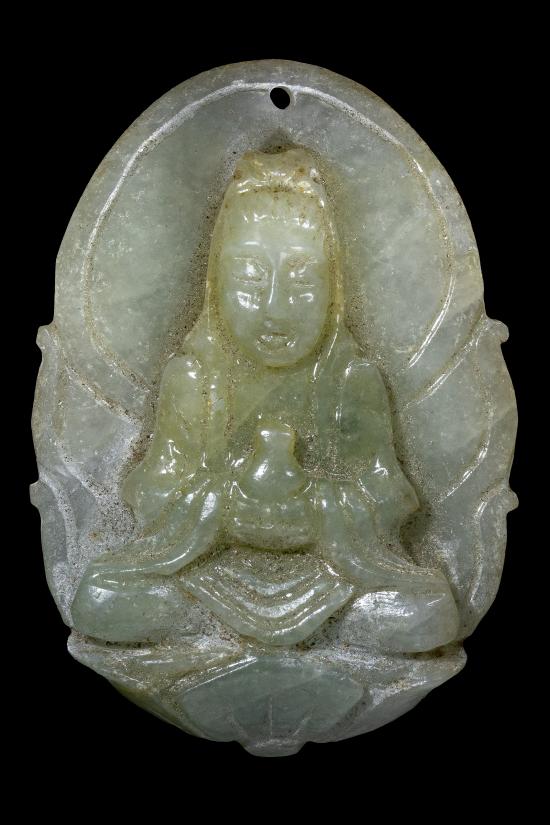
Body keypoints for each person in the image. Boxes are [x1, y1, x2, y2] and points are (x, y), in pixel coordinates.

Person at [71, 148, 459, 651]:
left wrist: (316, 508)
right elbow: (151, 488)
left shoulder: (349, 380)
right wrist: (226, 505)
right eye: (251, 279)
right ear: (216, 284)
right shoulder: (195, 378)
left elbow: (390, 493)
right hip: (211, 578)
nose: (276, 309)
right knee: (102, 598)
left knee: (425, 611)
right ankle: (252, 645)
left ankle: (248, 647)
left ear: (333, 288)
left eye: (302, 280)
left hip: (327, 583)